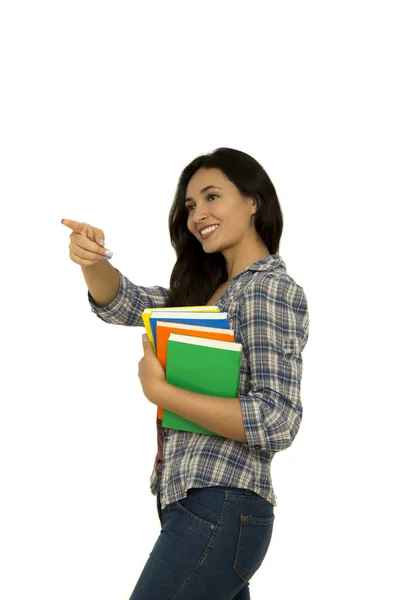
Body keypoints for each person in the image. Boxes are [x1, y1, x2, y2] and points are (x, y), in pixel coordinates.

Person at [62, 147, 309, 600]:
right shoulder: (206, 297)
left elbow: (277, 419)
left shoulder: (267, 288)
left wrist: (161, 391)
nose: (198, 215)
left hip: (221, 505)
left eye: (212, 197)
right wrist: (91, 259)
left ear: (254, 201)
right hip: (196, 508)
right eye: (191, 206)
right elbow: (125, 303)